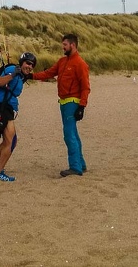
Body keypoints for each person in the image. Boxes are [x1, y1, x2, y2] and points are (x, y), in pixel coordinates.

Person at [29, 34, 90, 177]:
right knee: (73, 133)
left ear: (73, 45)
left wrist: (82, 107)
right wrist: (31, 76)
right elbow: (49, 73)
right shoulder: (62, 61)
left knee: (69, 135)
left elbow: (85, 87)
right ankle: (81, 164)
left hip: (72, 102)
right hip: (63, 102)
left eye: (65, 45)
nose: (63, 47)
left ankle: (75, 167)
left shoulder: (80, 64)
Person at [0, 52, 37, 182]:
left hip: (7, 108)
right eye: (27, 63)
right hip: (2, 108)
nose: (30, 66)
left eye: (32, 65)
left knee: (8, 141)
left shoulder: (21, 76)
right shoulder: (12, 70)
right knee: (11, 142)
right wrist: (13, 74)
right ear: (22, 62)